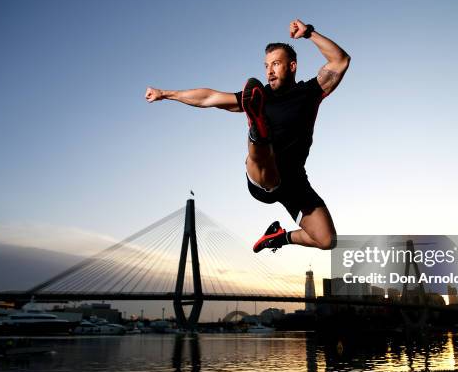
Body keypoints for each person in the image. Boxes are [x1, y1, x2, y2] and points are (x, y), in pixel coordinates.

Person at [145, 19, 350, 253]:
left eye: (276, 64)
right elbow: (209, 98)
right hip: (262, 177)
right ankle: (257, 131)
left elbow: (340, 60)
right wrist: (166, 93)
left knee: (327, 240)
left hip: (294, 181)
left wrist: (308, 33)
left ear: (292, 66)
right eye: (266, 65)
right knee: (267, 161)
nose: (269, 71)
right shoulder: (258, 95)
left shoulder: (310, 92)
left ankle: (276, 238)